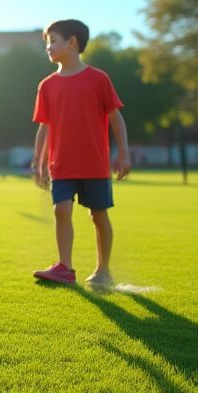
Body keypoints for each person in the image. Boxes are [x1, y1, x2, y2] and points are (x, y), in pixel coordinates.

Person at [31, 19, 130, 290]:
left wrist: (124, 153)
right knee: (61, 209)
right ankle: (65, 267)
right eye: (47, 42)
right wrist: (38, 161)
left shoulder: (98, 79)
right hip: (61, 164)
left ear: (72, 42)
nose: (48, 47)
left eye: (53, 41)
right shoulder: (47, 85)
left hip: (94, 164)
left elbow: (116, 118)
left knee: (98, 215)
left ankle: (103, 269)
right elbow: (44, 126)